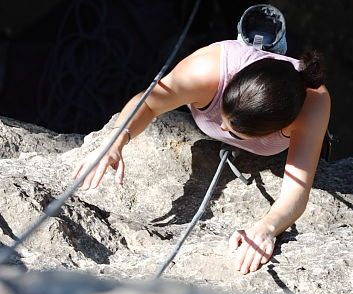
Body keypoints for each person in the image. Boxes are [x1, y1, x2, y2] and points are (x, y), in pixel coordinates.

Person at [73, 37, 331, 275]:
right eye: (222, 116)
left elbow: (296, 191)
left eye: (235, 133)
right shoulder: (206, 70)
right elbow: (150, 102)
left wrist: (266, 228)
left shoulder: (314, 105)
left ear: (277, 129)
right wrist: (117, 139)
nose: (221, 129)